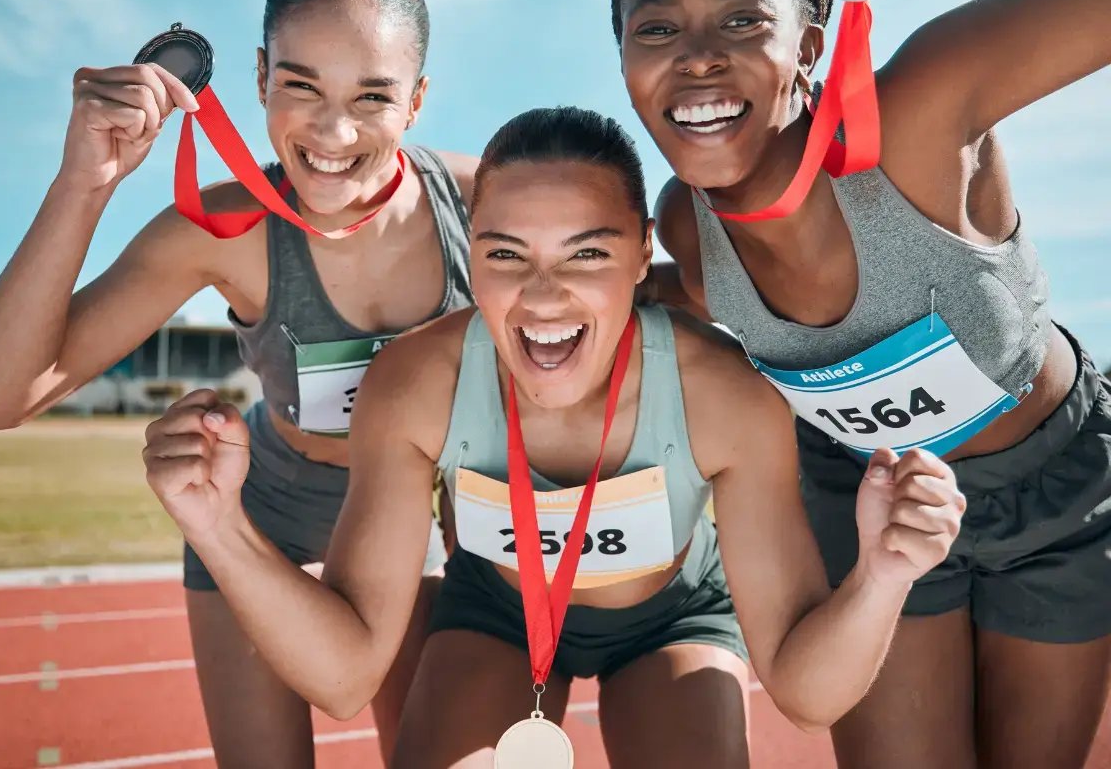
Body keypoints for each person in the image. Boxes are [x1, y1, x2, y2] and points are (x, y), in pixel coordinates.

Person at [142, 106, 965, 768]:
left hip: (671, 619)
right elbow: (345, 675)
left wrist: (884, 576)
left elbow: (806, 693)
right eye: (507, 254)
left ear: (644, 253)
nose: (542, 297)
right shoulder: (416, 382)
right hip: (496, 609)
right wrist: (217, 524)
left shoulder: (723, 395)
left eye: (586, 254)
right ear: (473, 254)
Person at [615, 0, 1111, 768]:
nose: (697, 58)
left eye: (741, 18)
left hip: (1057, 497)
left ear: (808, 45)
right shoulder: (684, 223)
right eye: (655, 30)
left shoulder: (919, 113)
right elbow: (682, 304)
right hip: (868, 502)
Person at [0, 0, 476, 768]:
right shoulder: (226, 226)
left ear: (415, 101)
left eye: (372, 96)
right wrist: (86, 180)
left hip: (409, 512)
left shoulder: (485, 204)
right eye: (301, 85)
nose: (334, 133)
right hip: (259, 508)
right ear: (261, 76)